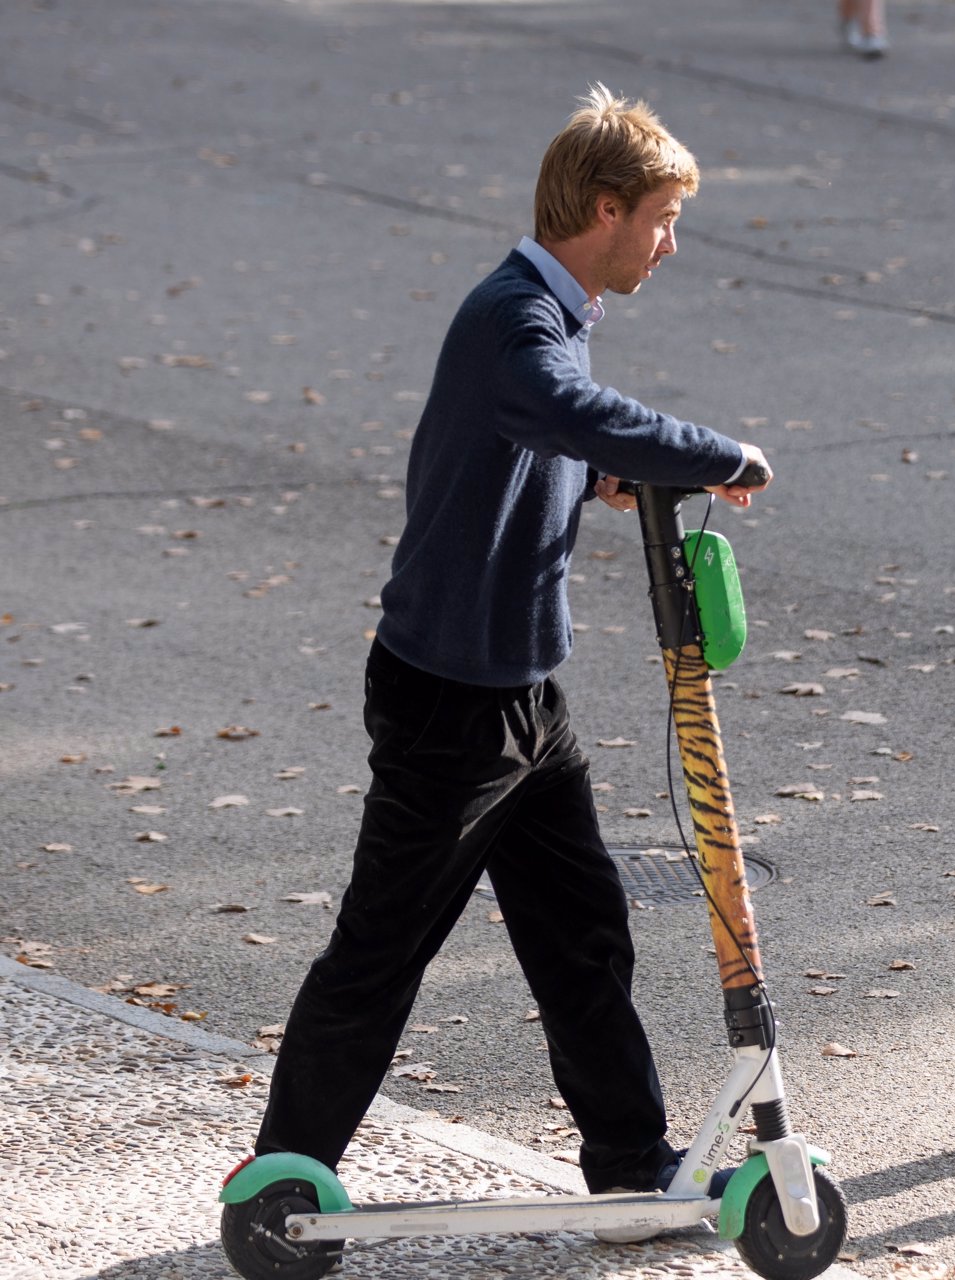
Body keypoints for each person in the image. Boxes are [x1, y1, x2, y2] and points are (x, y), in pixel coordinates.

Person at [250, 84, 769, 1240]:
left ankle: (632, 1163)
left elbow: (540, 438)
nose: (671, 243)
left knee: (583, 927)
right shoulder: (514, 322)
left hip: (525, 693)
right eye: (663, 219)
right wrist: (715, 451)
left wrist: (602, 478)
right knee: (384, 946)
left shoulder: (551, 314)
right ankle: (281, 1177)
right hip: (449, 699)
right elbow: (559, 406)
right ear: (605, 207)